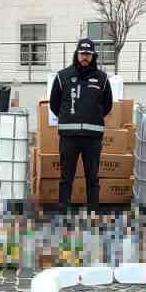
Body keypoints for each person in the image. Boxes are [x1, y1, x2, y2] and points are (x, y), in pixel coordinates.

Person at [49, 37, 113, 210]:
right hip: (69, 137)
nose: (85, 57)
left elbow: (107, 106)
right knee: (66, 177)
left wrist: (93, 116)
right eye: (82, 53)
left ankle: (93, 212)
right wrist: (69, 120)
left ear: (93, 57)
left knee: (92, 177)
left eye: (88, 54)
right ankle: (64, 212)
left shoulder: (103, 79)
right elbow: (54, 104)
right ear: (76, 54)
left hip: (93, 138)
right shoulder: (63, 77)